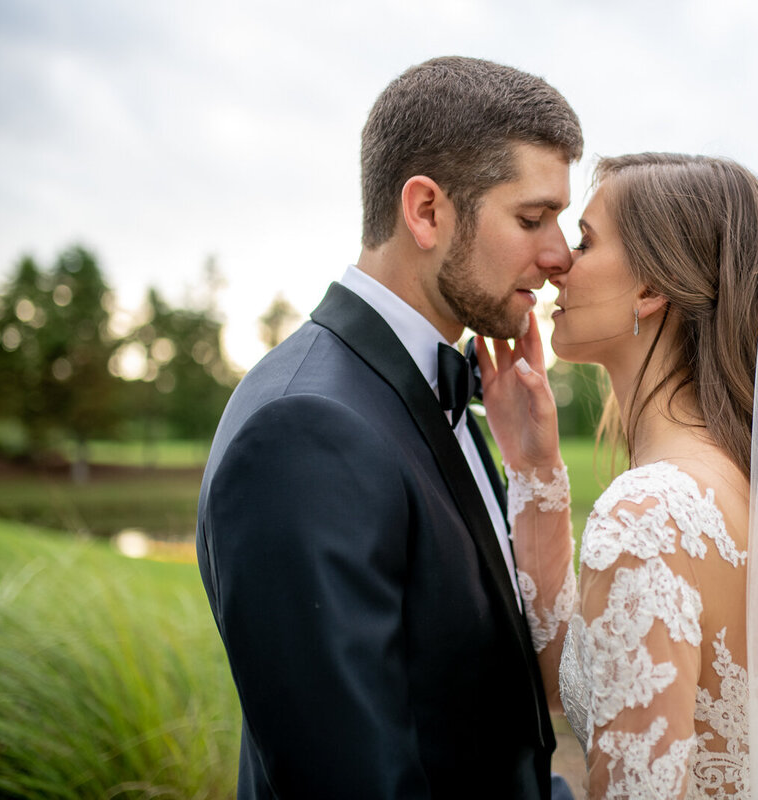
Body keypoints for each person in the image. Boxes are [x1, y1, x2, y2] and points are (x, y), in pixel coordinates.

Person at [195, 56, 582, 798]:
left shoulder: (454, 388)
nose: (559, 255)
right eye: (533, 218)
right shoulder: (303, 432)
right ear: (427, 211)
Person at [477, 153, 758, 798]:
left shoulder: (650, 515)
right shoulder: (749, 485)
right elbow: (569, 681)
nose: (556, 263)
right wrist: (534, 469)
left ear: (649, 289)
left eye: (583, 240)